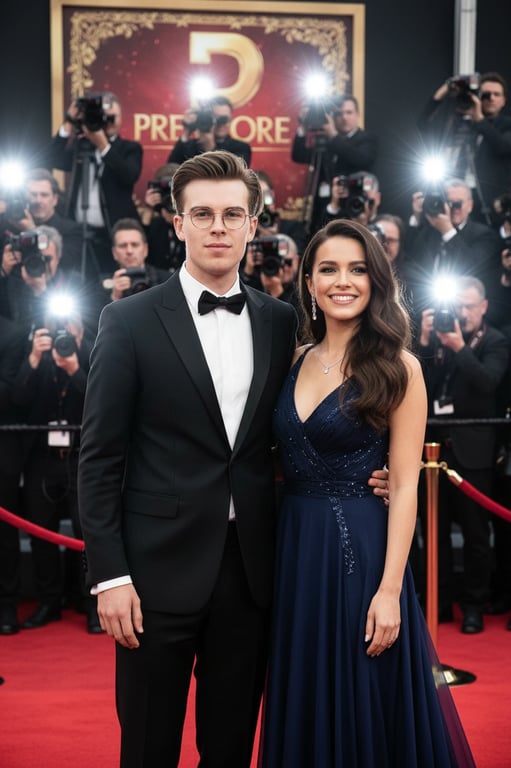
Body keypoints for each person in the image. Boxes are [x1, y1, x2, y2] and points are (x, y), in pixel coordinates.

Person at [77, 151, 389, 768]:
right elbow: (98, 457)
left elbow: (303, 430)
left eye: (231, 214)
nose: (217, 227)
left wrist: (364, 476)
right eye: (202, 214)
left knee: (231, 748)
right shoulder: (128, 320)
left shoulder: (281, 324)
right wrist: (109, 575)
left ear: (253, 225)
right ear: (178, 223)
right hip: (152, 575)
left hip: (253, 575)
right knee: (146, 747)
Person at [259, 219, 475, 767]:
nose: (343, 281)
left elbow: (404, 485)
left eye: (357, 269)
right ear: (308, 282)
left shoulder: (401, 368)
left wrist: (388, 591)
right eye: (329, 269)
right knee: (304, 684)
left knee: (363, 689)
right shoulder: (292, 360)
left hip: (364, 551)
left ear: (377, 281)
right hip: (296, 549)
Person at [417, 276, 508, 633]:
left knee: (475, 535)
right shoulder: (438, 339)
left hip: (474, 455)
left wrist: (459, 348)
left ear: (484, 306)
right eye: (458, 306)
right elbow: (418, 387)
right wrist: (425, 344)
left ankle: (473, 605)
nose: (462, 313)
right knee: (433, 533)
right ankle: (437, 602)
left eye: (469, 306)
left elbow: (489, 382)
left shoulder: (496, 341)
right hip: (434, 453)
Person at [48, 92, 143, 274]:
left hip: (112, 233)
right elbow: (53, 158)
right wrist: (68, 122)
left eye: (112, 117)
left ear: (121, 118)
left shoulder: (129, 148)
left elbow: (129, 175)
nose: (108, 122)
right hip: (78, 232)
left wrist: (103, 146)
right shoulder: (81, 145)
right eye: (104, 117)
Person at [417, 72, 511, 224]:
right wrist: (445, 89)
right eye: (486, 94)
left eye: (496, 94)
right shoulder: (458, 122)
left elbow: (501, 146)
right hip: (455, 194)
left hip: (489, 203)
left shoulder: (506, 125)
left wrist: (479, 119)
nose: (491, 98)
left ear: (504, 100)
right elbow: (423, 124)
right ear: (478, 96)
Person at [168, 96, 252, 166]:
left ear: (230, 120)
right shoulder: (190, 146)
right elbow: (171, 170)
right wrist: (187, 132)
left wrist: (210, 147)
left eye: (224, 119)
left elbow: (231, 173)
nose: (220, 124)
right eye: (215, 118)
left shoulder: (241, 148)